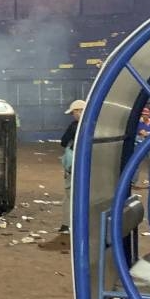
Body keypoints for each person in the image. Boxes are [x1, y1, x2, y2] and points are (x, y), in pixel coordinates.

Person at [57, 99, 85, 234]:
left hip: (74, 164)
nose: (74, 115)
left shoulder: (75, 126)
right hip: (89, 165)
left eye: (74, 112)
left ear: (80, 111)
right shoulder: (95, 126)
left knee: (69, 195)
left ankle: (66, 225)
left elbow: (63, 142)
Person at [131, 107, 150, 189]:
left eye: (146, 114)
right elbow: (135, 131)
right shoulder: (138, 122)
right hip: (139, 146)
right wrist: (140, 131)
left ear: (149, 115)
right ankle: (133, 181)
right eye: (143, 115)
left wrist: (147, 134)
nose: (145, 116)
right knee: (136, 164)